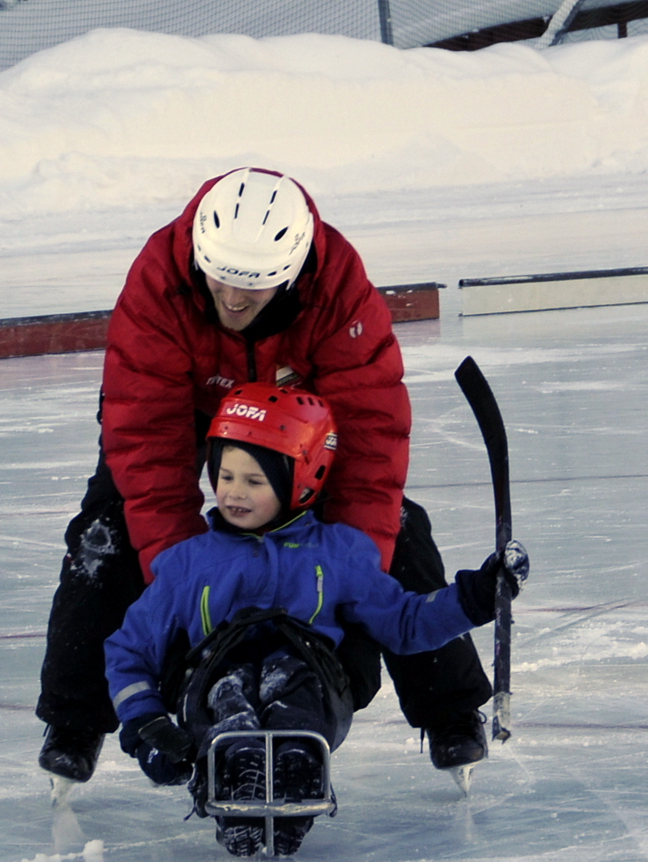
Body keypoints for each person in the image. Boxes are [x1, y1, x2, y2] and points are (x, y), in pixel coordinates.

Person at [36, 166, 497, 785]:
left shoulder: (339, 293)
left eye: (251, 291)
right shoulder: (159, 282)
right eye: (220, 281)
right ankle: (74, 718)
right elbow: (146, 446)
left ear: (293, 272)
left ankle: (449, 709)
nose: (231, 301)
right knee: (106, 530)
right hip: (189, 403)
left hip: (297, 418)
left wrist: (355, 580)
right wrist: (188, 588)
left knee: (396, 527)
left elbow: (368, 446)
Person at [105, 384, 527, 856]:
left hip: (315, 683)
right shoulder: (188, 563)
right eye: (225, 476)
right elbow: (129, 649)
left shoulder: (338, 554)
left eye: (254, 481)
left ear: (301, 480)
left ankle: (297, 768)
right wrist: (145, 724)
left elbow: (405, 623)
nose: (233, 493)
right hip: (213, 682)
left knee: (293, 684)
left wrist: (477, 595)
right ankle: (232, 768)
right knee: (230, 688)